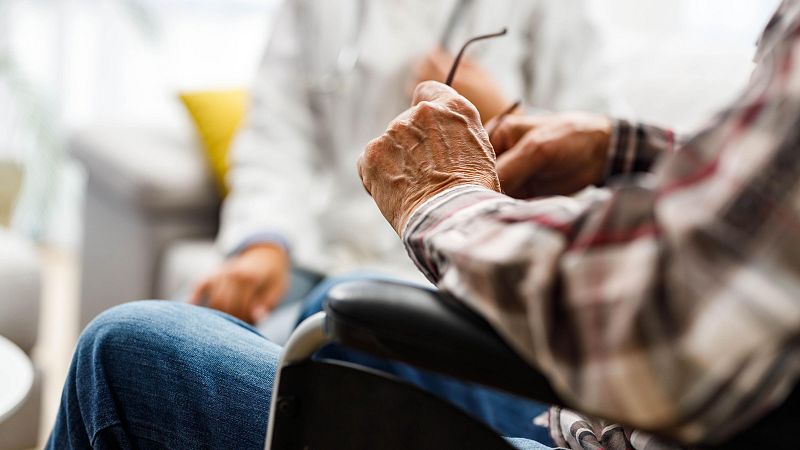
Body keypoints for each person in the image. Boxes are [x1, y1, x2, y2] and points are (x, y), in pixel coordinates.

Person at [48, 1, 800, 449]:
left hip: (476, 273)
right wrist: (263, 241)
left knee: (128, 350)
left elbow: (660, 307)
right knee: (333, 303)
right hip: (348, 247)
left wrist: (475, 140)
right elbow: (276, 129)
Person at [190, 0, 615, 337]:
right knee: (178, 327)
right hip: (326, 246)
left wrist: (500, 114)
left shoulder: (555, 8)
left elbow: (600, 152)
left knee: (340, 317)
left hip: (456, 266)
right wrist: (264, 242)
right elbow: (275, 133)